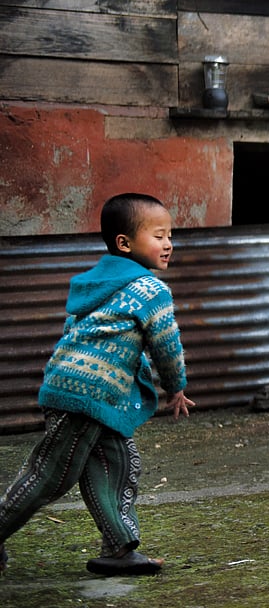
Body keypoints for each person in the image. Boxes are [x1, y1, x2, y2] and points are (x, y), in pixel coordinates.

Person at [0, 193, 195, 575]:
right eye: (159, 236)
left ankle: (119, 550)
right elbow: (166, 344)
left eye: (171, 235)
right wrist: (176, 386)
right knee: (48, 477)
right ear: (125, 243)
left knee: (117, 464)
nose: (169, 244)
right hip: (85, 396)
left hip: (86, 394)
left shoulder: (99, 285)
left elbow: (76, 333)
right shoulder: (150, 289)